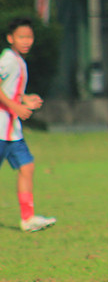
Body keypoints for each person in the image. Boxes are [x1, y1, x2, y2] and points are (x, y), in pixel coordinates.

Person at [0, 18, 56, 233]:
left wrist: (25, 99)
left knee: (27, 167)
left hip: (12, 131)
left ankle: (28, 218)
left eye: (29, 37)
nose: (27, 41)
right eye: (22, 37)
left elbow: (9, 89)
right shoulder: (8, 59)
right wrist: (16, 106)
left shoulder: (19, 61)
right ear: (10, 38)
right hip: (1, 128)